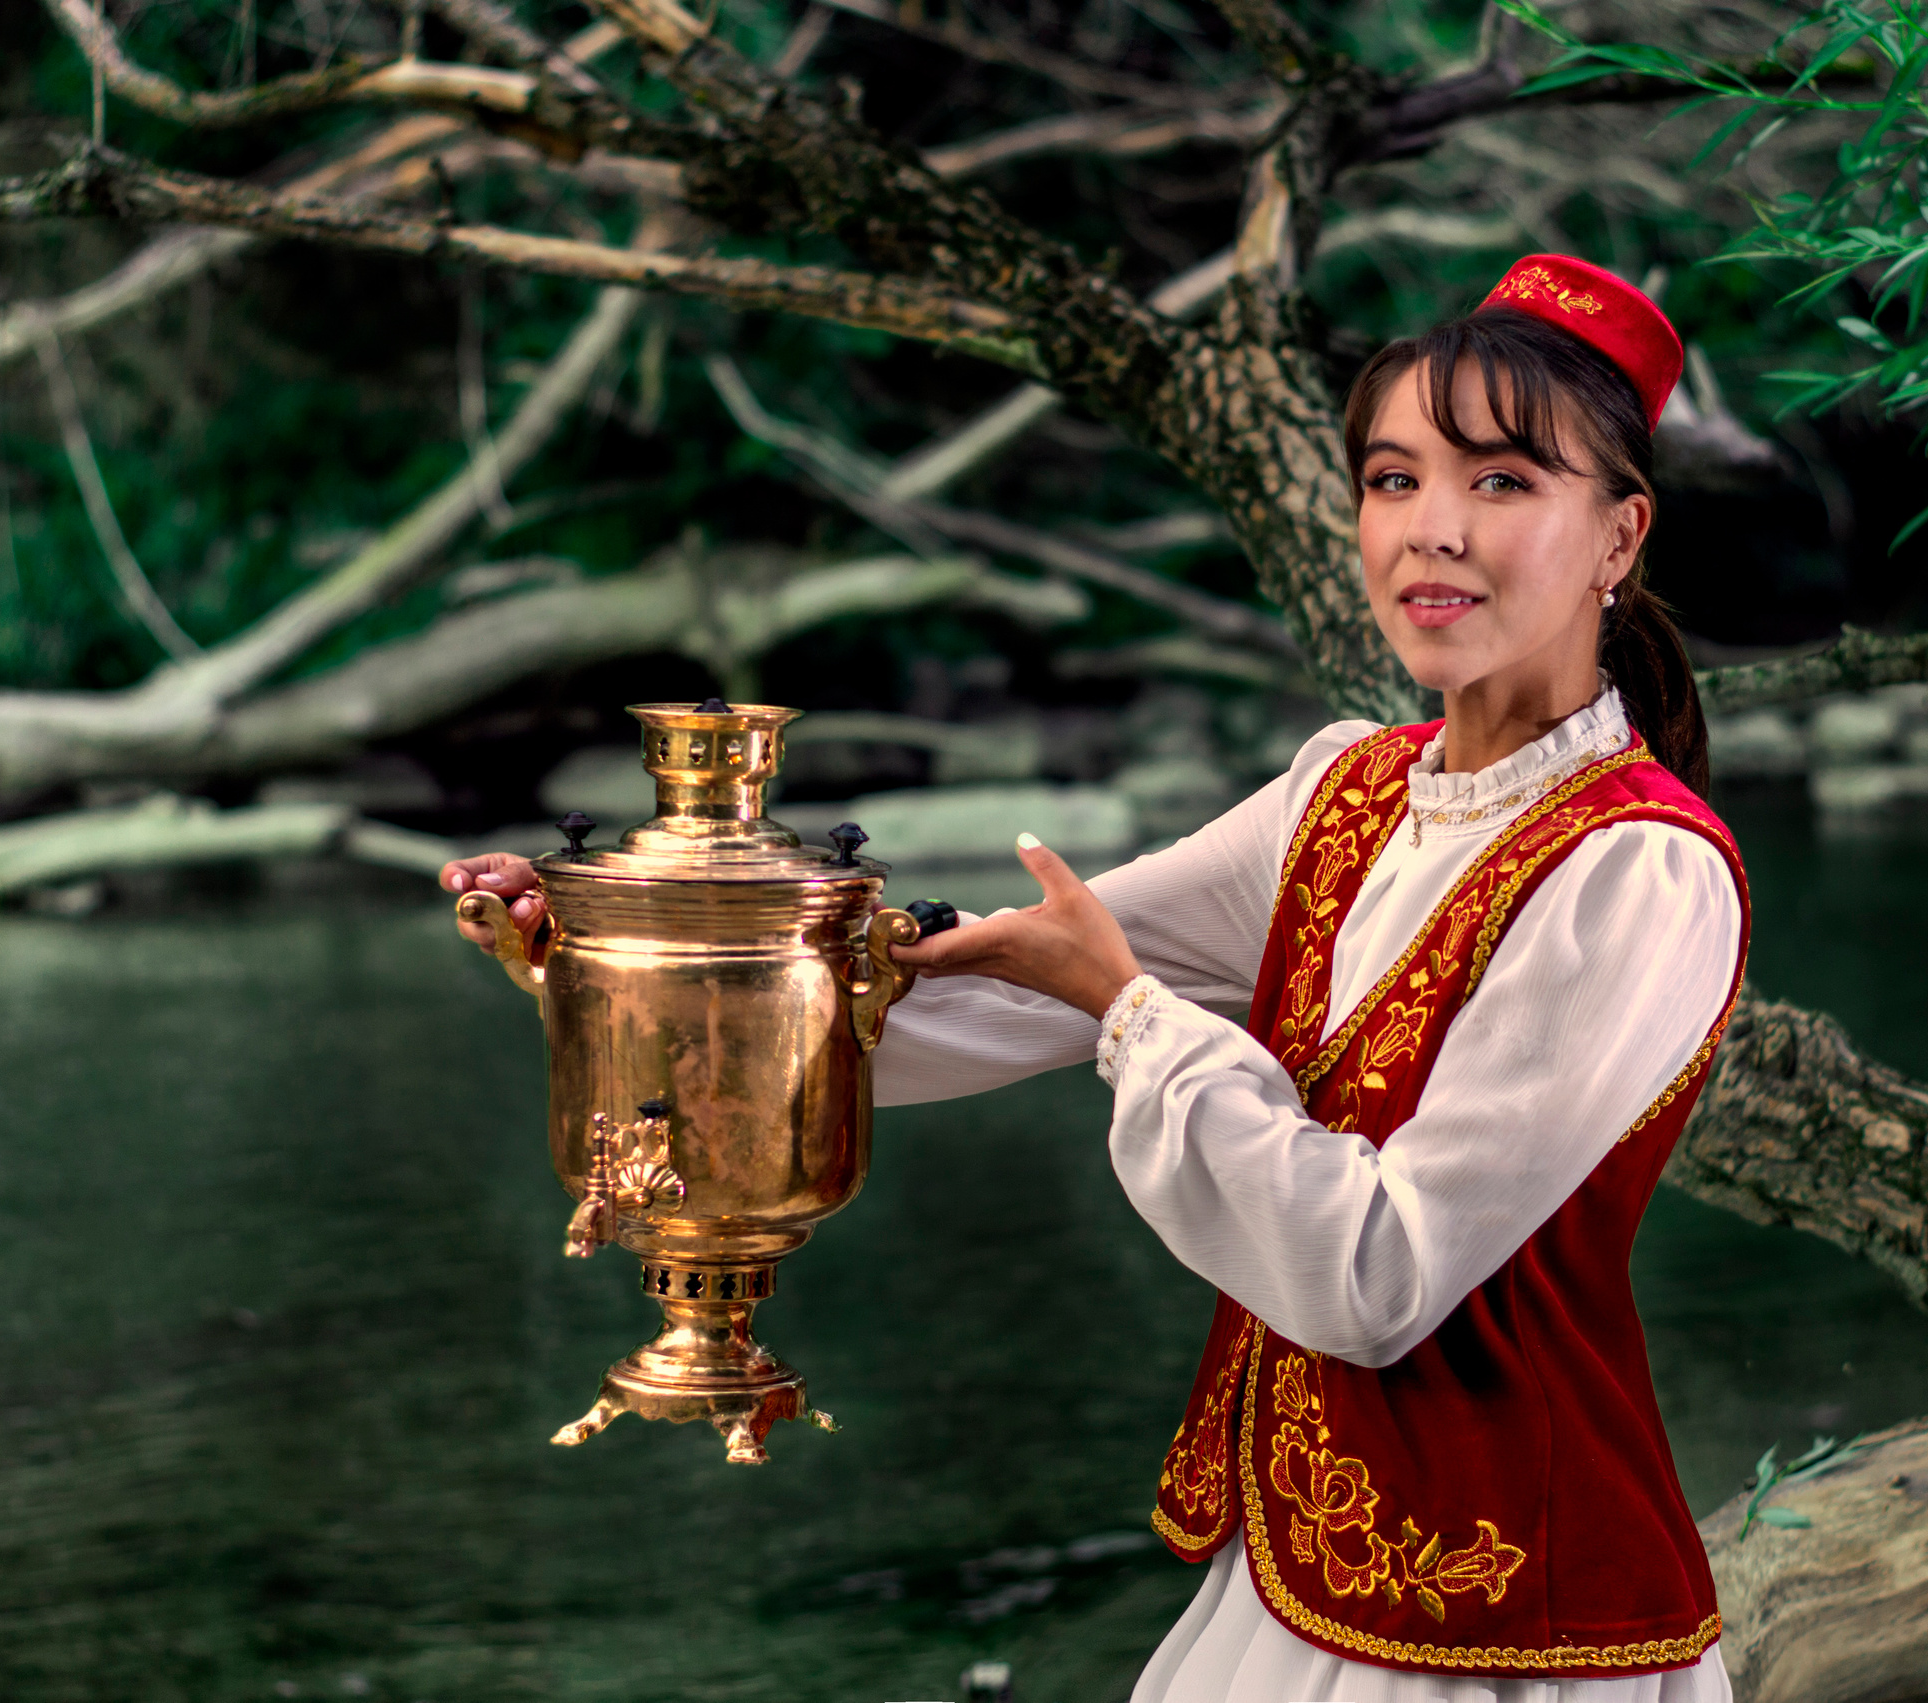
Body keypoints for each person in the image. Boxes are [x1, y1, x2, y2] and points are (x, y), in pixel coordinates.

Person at [443, 253, 1749, 1702]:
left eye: (1502, 482)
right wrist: (628, 966)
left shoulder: (1638, 871)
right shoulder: (1346, 793)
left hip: (1517, 1617)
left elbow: (1376, 1272)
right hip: (1302, 1570)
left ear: (1620, 533)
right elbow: (1001, 982)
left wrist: (1128, 1012)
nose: (1432, 530)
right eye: (1394, 480)